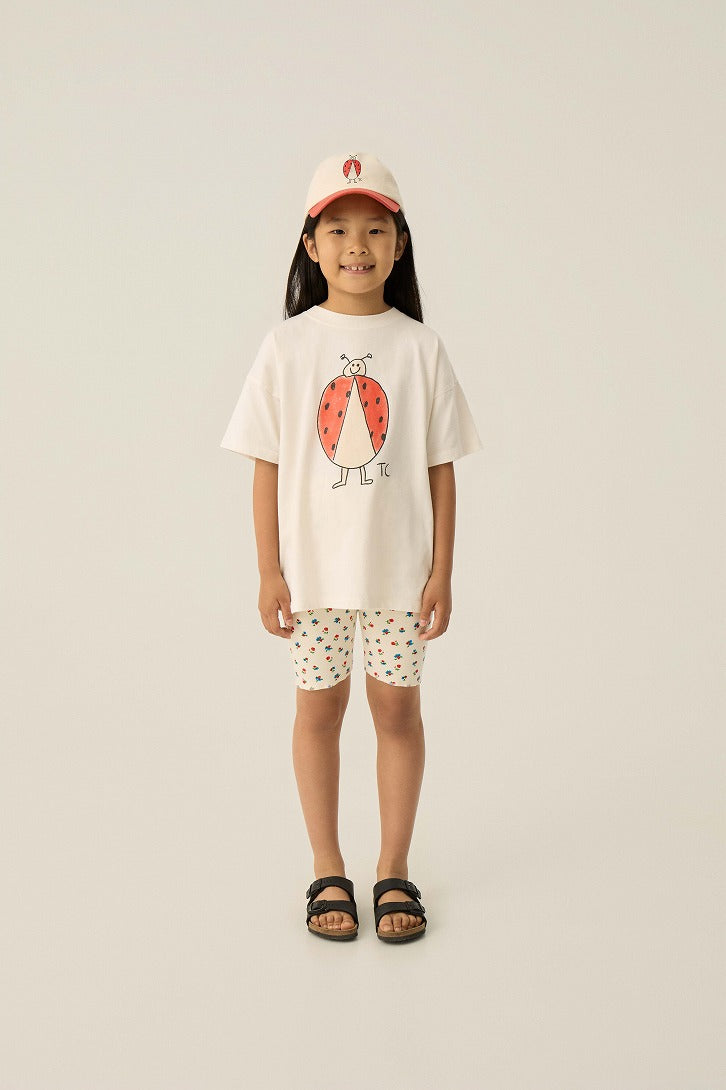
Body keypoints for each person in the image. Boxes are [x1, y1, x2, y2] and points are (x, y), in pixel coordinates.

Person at [220, 151, 483, 943]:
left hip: (400, 575)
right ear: (311, 245)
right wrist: (269, 570)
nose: (356, 245)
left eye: (374, 229)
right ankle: (326, 866)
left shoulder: (420, 348)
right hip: (313, 580)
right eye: (337, 229)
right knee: (319, 712)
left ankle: (393, 867)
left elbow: (440, 468)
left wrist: (442, 571)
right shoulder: (286, 347)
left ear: (399, 246)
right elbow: (266, 465)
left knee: (397, 711)